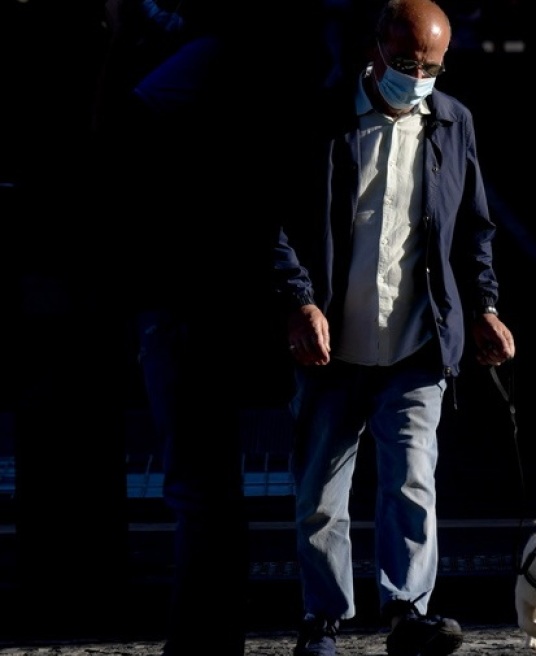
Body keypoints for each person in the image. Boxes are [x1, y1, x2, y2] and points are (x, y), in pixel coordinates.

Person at [272, 0, 517, 654]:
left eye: (430, 66)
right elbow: (273, 225)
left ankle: (408, 612)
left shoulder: (451, 123)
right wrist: (300, 301)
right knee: (319, 496)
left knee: (410, 480)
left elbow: (474, 231)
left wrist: (484, 308)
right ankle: (322, 618)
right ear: (374, 52)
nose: (416, 77)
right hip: (332, 353)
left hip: (416, 344)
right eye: (404, 63)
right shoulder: (322, 120)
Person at [98, 5, 317, 654]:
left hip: (184, 303)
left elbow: (114, 132)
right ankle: (213, 637)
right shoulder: (224, 68)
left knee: (201, 489)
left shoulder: (194, 66)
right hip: (203, 301)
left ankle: (203, 641)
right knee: (213, 489)